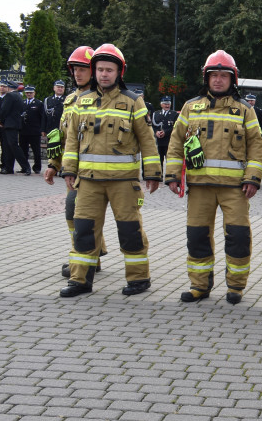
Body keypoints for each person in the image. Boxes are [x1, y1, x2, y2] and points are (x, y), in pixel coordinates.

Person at [59, 43, 161, 297]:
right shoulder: (81, 102)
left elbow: (147, 140)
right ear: (94, 71)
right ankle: (80, 280)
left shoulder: (133, 102)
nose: (104, 74)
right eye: (100, 69)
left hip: (123, 183)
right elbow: (72, 140)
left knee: (130, 231)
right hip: (88, 182)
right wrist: (68, 170)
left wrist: (152, 173)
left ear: (119, 73)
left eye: (109, 70)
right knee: (83, 232)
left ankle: (139, 279)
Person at [164, 50, 262, 304]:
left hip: (235, 189)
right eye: (214, 75)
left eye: (223, 76)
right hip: (199, 187)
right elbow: (176, 142)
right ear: (206, 78)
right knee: (197, 237)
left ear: (233, 80)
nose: (218, 80)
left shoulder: (244, 111)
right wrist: (173, 174)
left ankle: (236, 287)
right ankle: (199, 286)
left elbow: (257, 147)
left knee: (238, 237)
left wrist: (252, 178)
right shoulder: (190, 107)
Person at [45, 46, 106, 278]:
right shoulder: (70, 99)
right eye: (75, 69)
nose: (77, 74)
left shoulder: (102, 98)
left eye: (82, 69)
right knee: (81, 214)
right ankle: (92, 256)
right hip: (73, 168)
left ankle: (82, 258)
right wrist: (53, 164)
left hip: (94, 168)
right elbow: (63, 135)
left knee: (76, 212)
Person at [0, 81, 29, 175]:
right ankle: (9, 167)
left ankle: (25, 167)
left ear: (9, 88)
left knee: (12, 146)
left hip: (9, 124)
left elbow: (4, 110)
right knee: (8, 146)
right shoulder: (19, 96)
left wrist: (1, 121)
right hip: (15, 124)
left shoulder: (9, 96)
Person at [19, 84, 46, 173]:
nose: (29, 94)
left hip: (34, 131)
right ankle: (24, 167)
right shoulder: (22, 103)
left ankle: (37, 167)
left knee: (36, 151)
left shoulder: (39, 103)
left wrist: (42, 129)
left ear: (34, 93)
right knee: (23, 150)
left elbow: (42, 117)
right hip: (23, 130)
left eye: (30, 93)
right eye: (27, 93)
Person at [151, 96, 177, 167]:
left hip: (169, 141)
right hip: (158, 142)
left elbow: (175, 127)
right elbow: (153, 126)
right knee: (159, 160)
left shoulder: (174, 114)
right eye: (165, 104)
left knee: (170, 160)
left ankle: (169, 175)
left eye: (168, 104)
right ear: (161, 104)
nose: (167, 105)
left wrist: (165, 132)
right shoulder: (156, 114)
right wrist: (156, 132)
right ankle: (160, 174)